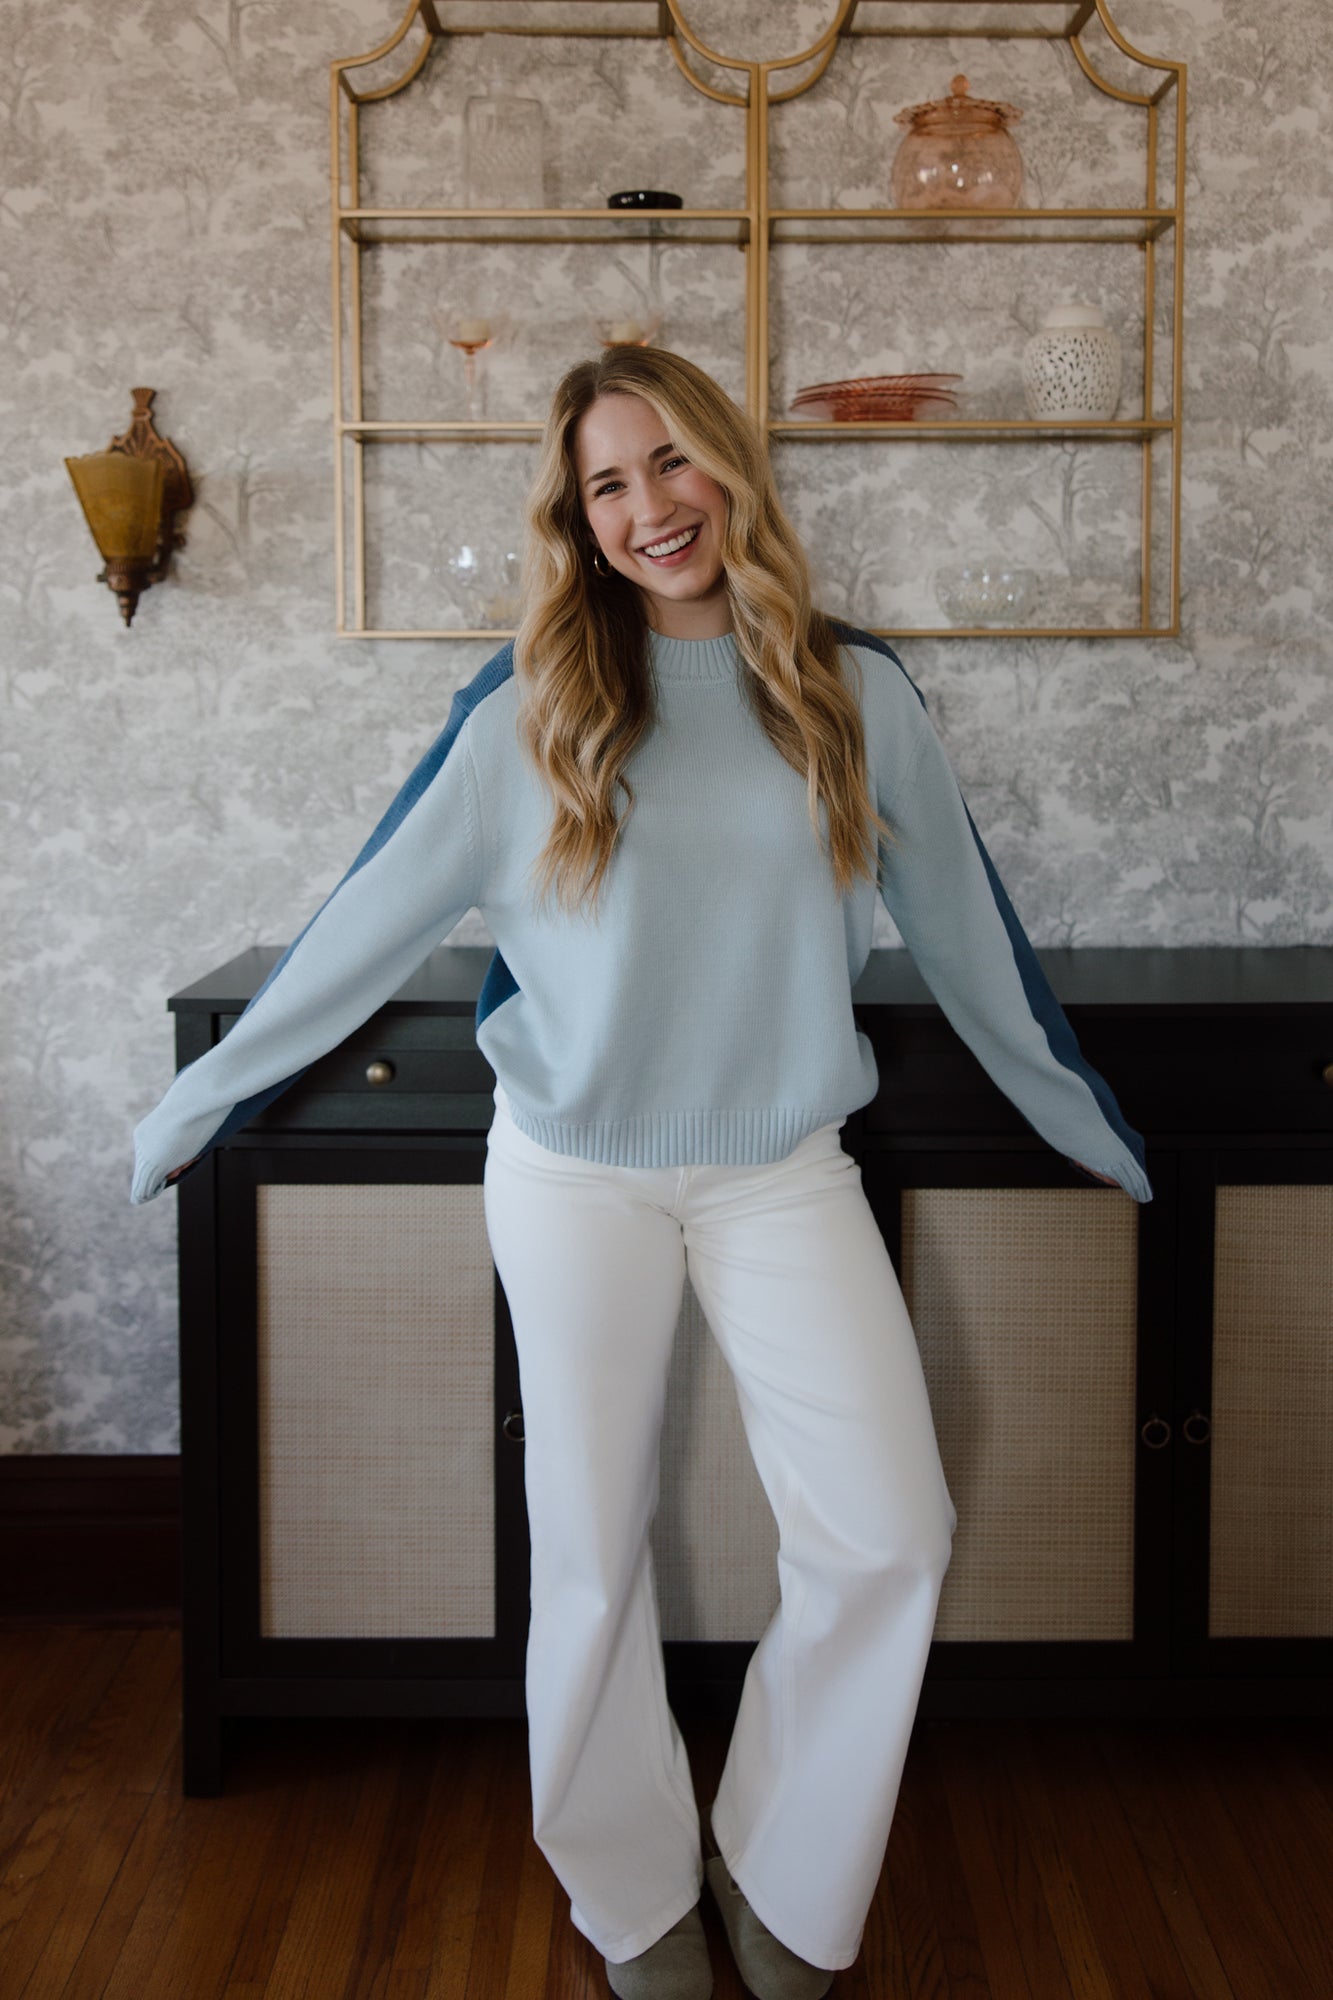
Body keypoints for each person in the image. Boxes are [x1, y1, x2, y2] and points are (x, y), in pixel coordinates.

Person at [132, 346, 1151, 2000]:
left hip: (783, 1172)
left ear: (731, 466)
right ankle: (628, 1895)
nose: (649, 507)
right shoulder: (526, 706)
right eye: (607, 483)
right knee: (593, 1548)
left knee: (890, 1530)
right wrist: (192, 1109)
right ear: (576, 516)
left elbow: (974, 939)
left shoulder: (855, 693)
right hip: (572, 1178)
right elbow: (359, 925)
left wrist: (1079, 1118)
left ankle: (782, 1869)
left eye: (672, 461)